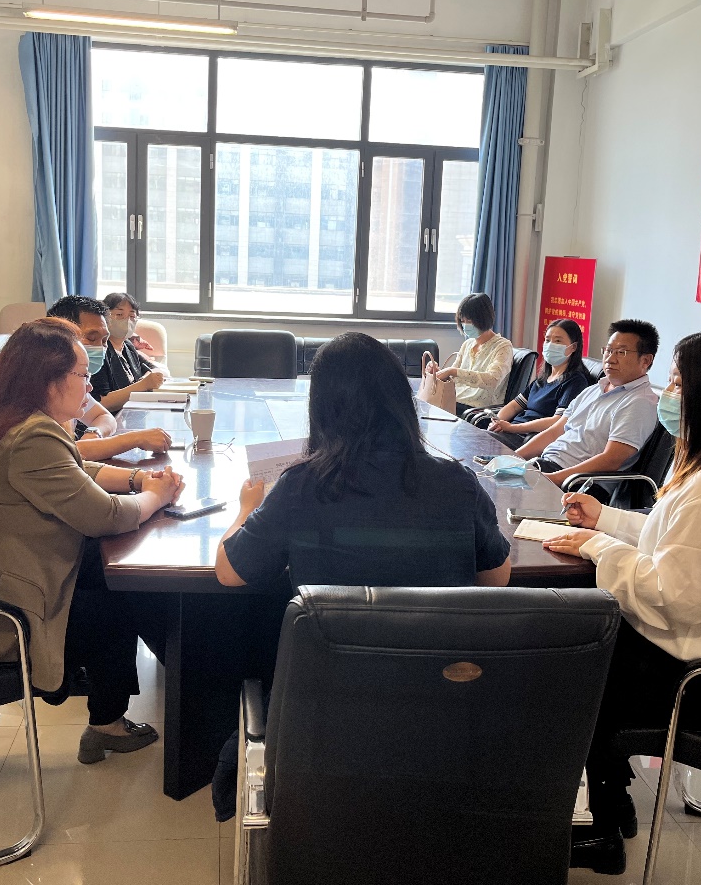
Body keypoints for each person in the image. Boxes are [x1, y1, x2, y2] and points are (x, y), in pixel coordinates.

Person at [209, 332, 512, 821]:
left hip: (326, 709)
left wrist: (246, 510)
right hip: (440, 704)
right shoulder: (456, 481)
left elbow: (229, 573)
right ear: (400, 402)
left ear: (322, 408)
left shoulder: (302, 485)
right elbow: (496, 580)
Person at [543, 327, 701, 875]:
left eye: (678, 382)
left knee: (576, 663)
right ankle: (613, 806)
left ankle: (603, 829)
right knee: (588, 642)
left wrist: (598, 545)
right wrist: (605, 519)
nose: (668, 394)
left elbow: (672, 595)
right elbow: (678, 545)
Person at [0, 318, 185, 764]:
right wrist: (157, 496)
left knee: (115, 575)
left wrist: (136, 481)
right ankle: (145, 710)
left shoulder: (1, 418)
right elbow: (105, 517)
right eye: (82, 374)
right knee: (122, 595)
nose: (90, 384)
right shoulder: (32, 435)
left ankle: (185, 680)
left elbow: (74, 470)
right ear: (48, 379)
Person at [514, 319, 660, 489]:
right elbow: (555, 432)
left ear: (645, 360)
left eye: (621, 352)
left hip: (577, 484)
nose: (610, 359)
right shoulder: (593, 390)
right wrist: (513, 458)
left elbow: (611, 460)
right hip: (547, 466)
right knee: (491, 477)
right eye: (608, 350)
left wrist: (554, 478)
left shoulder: (639, 402)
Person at [46, 295, 172, 459]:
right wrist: (135, 439)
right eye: (91, 338)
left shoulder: (75, 380)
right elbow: (67, 455)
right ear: (59, 335)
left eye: (105, 340)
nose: (100, 347)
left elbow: (104, 417)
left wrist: (94, 433)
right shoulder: (40, 389)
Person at [482, 318, 595, 448]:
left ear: (573, 347)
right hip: (512, 431)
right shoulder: (543, 378)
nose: (550, 345)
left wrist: (512, 428)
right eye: (547, 340)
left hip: (528, 438)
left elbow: (557, 421)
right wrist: (498, 421)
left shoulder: (575, 381)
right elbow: (514, 406)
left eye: (558, 341)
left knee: (479, 442)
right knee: (473, 437)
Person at [427, 292, 513, 412]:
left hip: (477, 408)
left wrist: (452, 371)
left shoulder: (503, 346)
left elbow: (493, 380)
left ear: (483, 318)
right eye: (462, 320)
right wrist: (438, 372)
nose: (465, 325)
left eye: (469, 320)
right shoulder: (467, 344)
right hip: (455, 400)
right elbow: (453, 379)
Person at [100, 292, 168, 405]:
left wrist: (148, 378)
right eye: (119, 314)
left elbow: (152, 368)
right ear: (104, 317)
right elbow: (101, 402)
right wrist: (143, 385)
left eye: (132, 316)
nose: (127, 320)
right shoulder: (100, 350)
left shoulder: (128, 346)